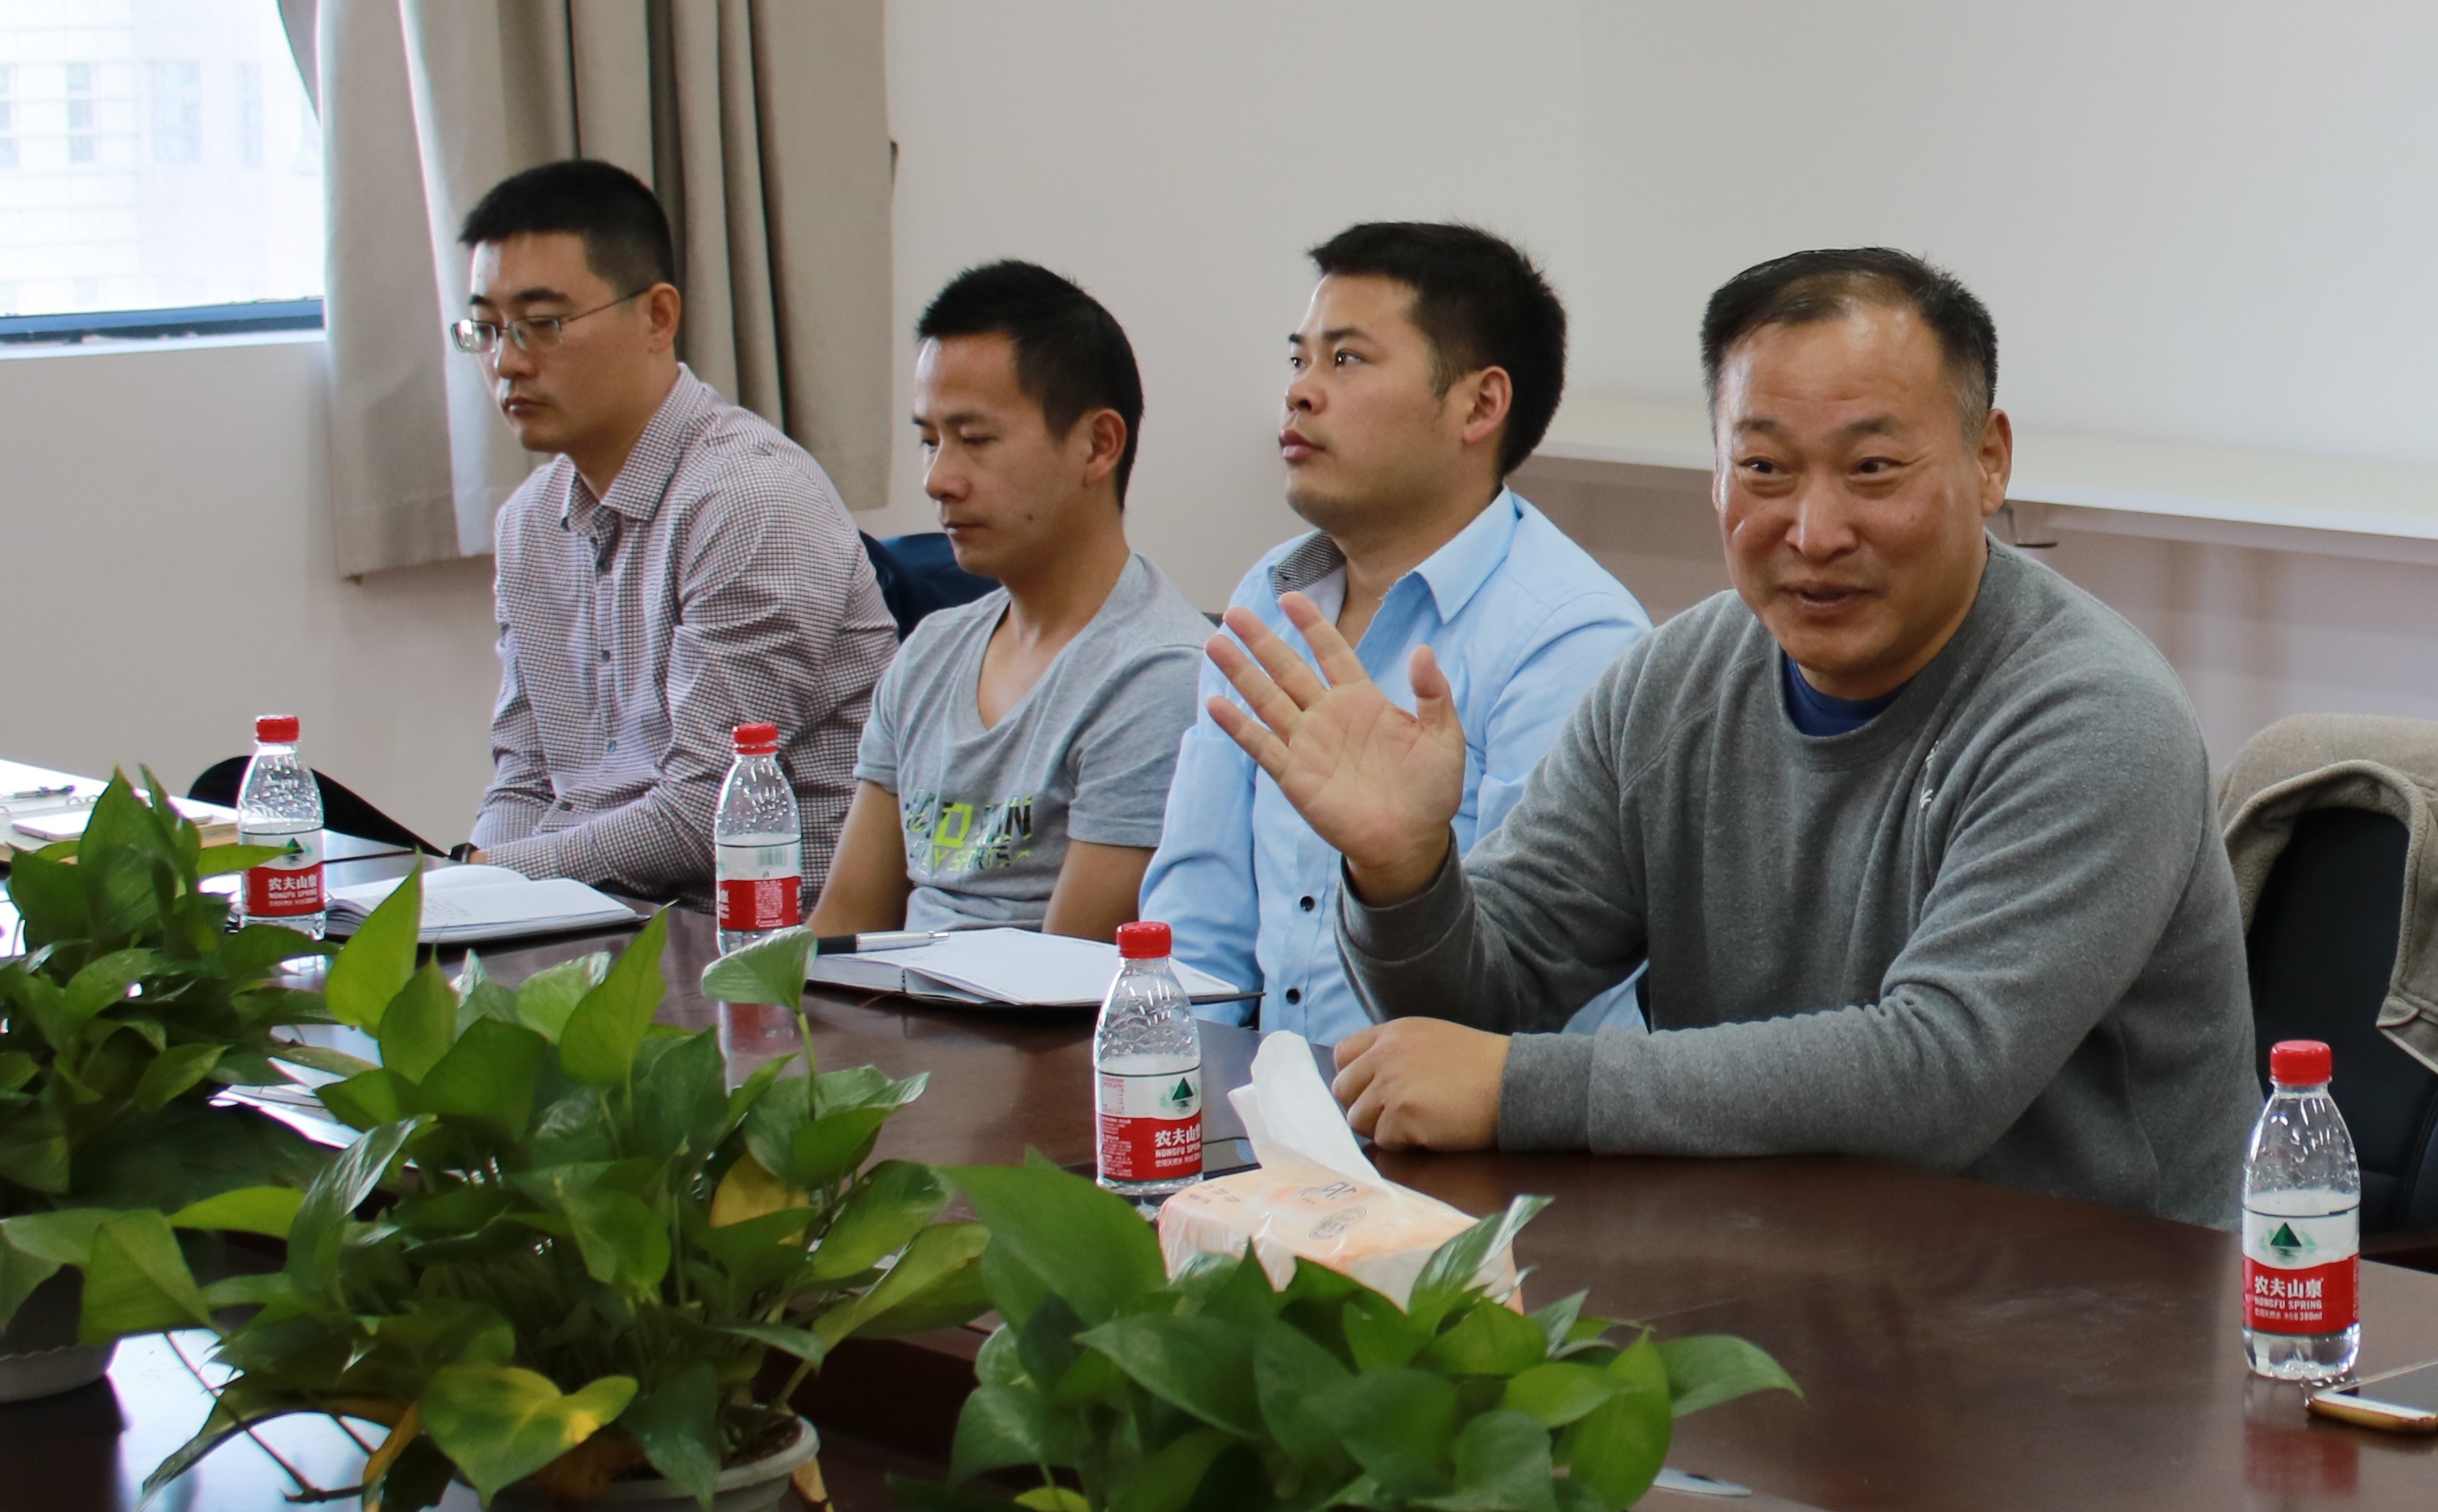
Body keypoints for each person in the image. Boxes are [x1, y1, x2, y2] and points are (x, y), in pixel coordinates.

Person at [1200, 247, 2258, 1226]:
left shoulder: (2092, 713)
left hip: (2097, 1308)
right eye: (1763, 468)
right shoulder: (1673, 686)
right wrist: (1404, 874)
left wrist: (1526, 1087)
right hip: (1782, 1265)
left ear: (1988, 461)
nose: (1814, 530)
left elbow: (1939, 1074)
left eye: (1873, 468)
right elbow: (1492, 1004)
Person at [1138, 223, 1649, 1039]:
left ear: (1479, 404)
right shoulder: (1271, 596)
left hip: (1462, 1105)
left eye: (1346, 359)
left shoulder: (1571, 635)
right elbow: (1200, 919)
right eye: (1299, 360)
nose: (1301, 393)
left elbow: (1534, 989)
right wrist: (1175, 1083)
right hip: (1259, 1100)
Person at [459, 160, 893, 898]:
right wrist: (472, 902)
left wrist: (481, 879)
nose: (506, 362)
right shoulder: (529, 523)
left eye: (542, 325)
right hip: (593, 915)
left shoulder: (749, 500)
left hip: (763, 931)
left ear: (658, 317)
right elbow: (525, 781)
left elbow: (703, 813)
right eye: (487, 329)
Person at [808, 262, 1210, 941]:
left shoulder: (1159, 676)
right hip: (882, 1002)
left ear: (1097, 445)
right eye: (930, 440)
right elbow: (844, 923)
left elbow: (1066, 979)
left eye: (975, 440)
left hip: (1026, 1012)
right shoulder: (931, 651)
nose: (938, 479)